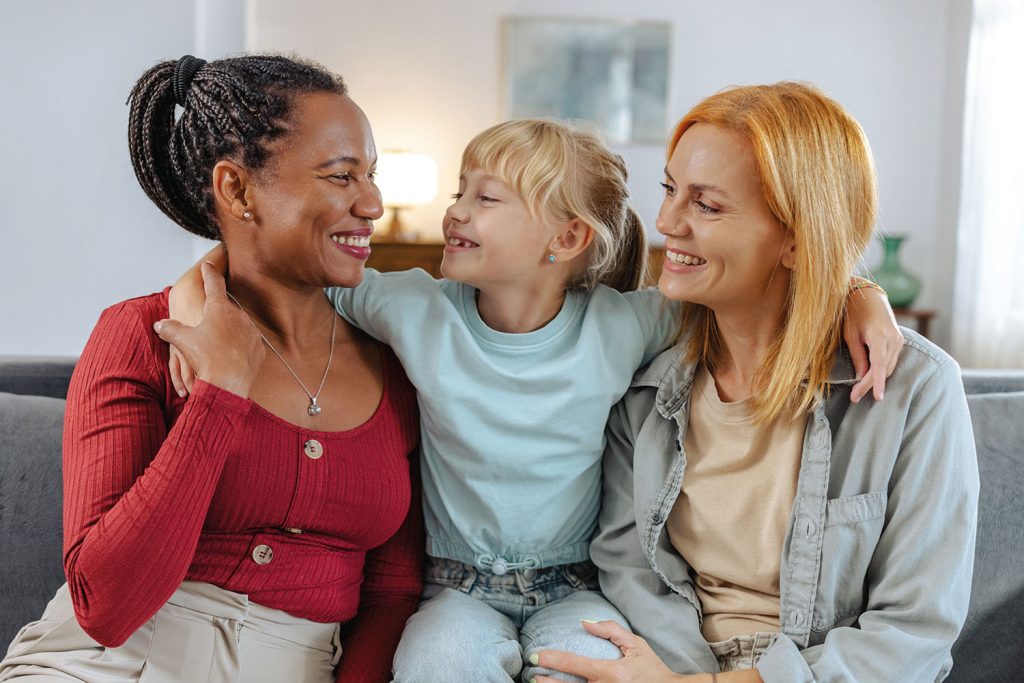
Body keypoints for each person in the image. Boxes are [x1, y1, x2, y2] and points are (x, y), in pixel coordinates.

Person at [169, 116, 904, 682]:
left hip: (576, 585)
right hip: (457, 587)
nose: (455, 211)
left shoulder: (623, 324)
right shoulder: (416, 308)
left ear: (567, 237)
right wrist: (193, 291)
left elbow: (747, 293)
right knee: (431, 666)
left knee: (595, 668)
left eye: (484, 198)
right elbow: (280, 267)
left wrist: (855, 290)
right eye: (461, 191)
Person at [531, 83, 979, 683]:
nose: (667, 223)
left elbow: (913, 634)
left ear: (797, 235)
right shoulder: (640, 379)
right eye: (669, 190)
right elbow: (630, 566)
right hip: (667, 662)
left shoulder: (913, 390)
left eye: (707, 206)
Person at [0, 55, 423, 683]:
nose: (372, 203)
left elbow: (393, 597)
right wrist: (219, 393)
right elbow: (106, 606)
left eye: (371, 175)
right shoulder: (140, 335)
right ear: (237, 188)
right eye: (340, 176)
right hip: (107, 665)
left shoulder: (398, 363)